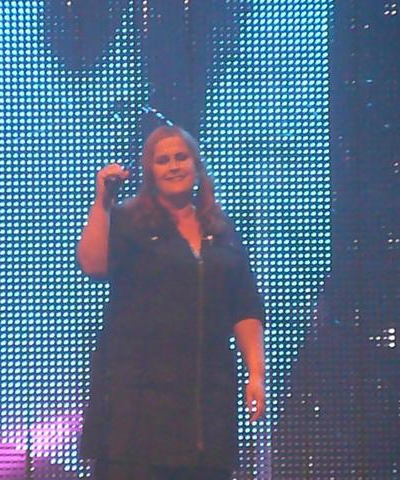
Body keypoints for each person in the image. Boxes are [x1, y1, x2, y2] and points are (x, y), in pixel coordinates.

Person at [76, 126, 266, 480]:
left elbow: (244, 305)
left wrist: (256, 372)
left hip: (206, 404)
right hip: (138, 404)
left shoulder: (221, 229)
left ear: (196, 164)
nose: (174, 166)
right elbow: (94, 264)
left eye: (181, 157)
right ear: (150, 172)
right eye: (163, 160)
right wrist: (103, 202)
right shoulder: (129, 221)